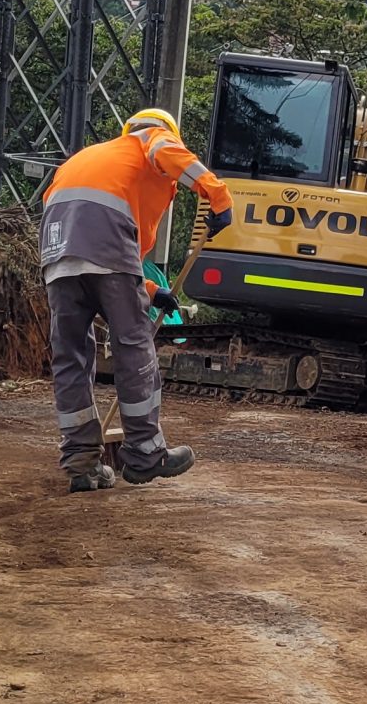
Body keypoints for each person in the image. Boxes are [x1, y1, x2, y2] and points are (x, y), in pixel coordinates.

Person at [40, 108, 234, 494]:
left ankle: (81, 464)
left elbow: (91, 254)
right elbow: (169, 154)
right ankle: (146, 453)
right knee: (133, 344)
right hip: (106, 248)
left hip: (57, 253)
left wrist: (148, 289)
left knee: (71, 357)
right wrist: (218, 197)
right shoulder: (150, 140)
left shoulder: (88, 159)